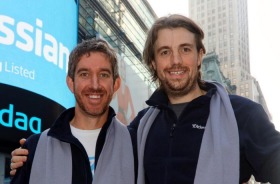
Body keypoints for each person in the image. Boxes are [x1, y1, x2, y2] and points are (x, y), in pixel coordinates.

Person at [10, 14, 280, 184]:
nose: (175, 61)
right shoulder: (140, 128)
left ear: (199, 56)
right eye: (164, 52)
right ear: (153, 61)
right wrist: (29, 156)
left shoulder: (242, 115)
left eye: (184, 49)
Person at [10, 38, 134, 184]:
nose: (95, 85)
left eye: (104, 75)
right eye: (84, 74)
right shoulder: (34, 148)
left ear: (116, 84)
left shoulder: (135, 145)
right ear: (71, 83)